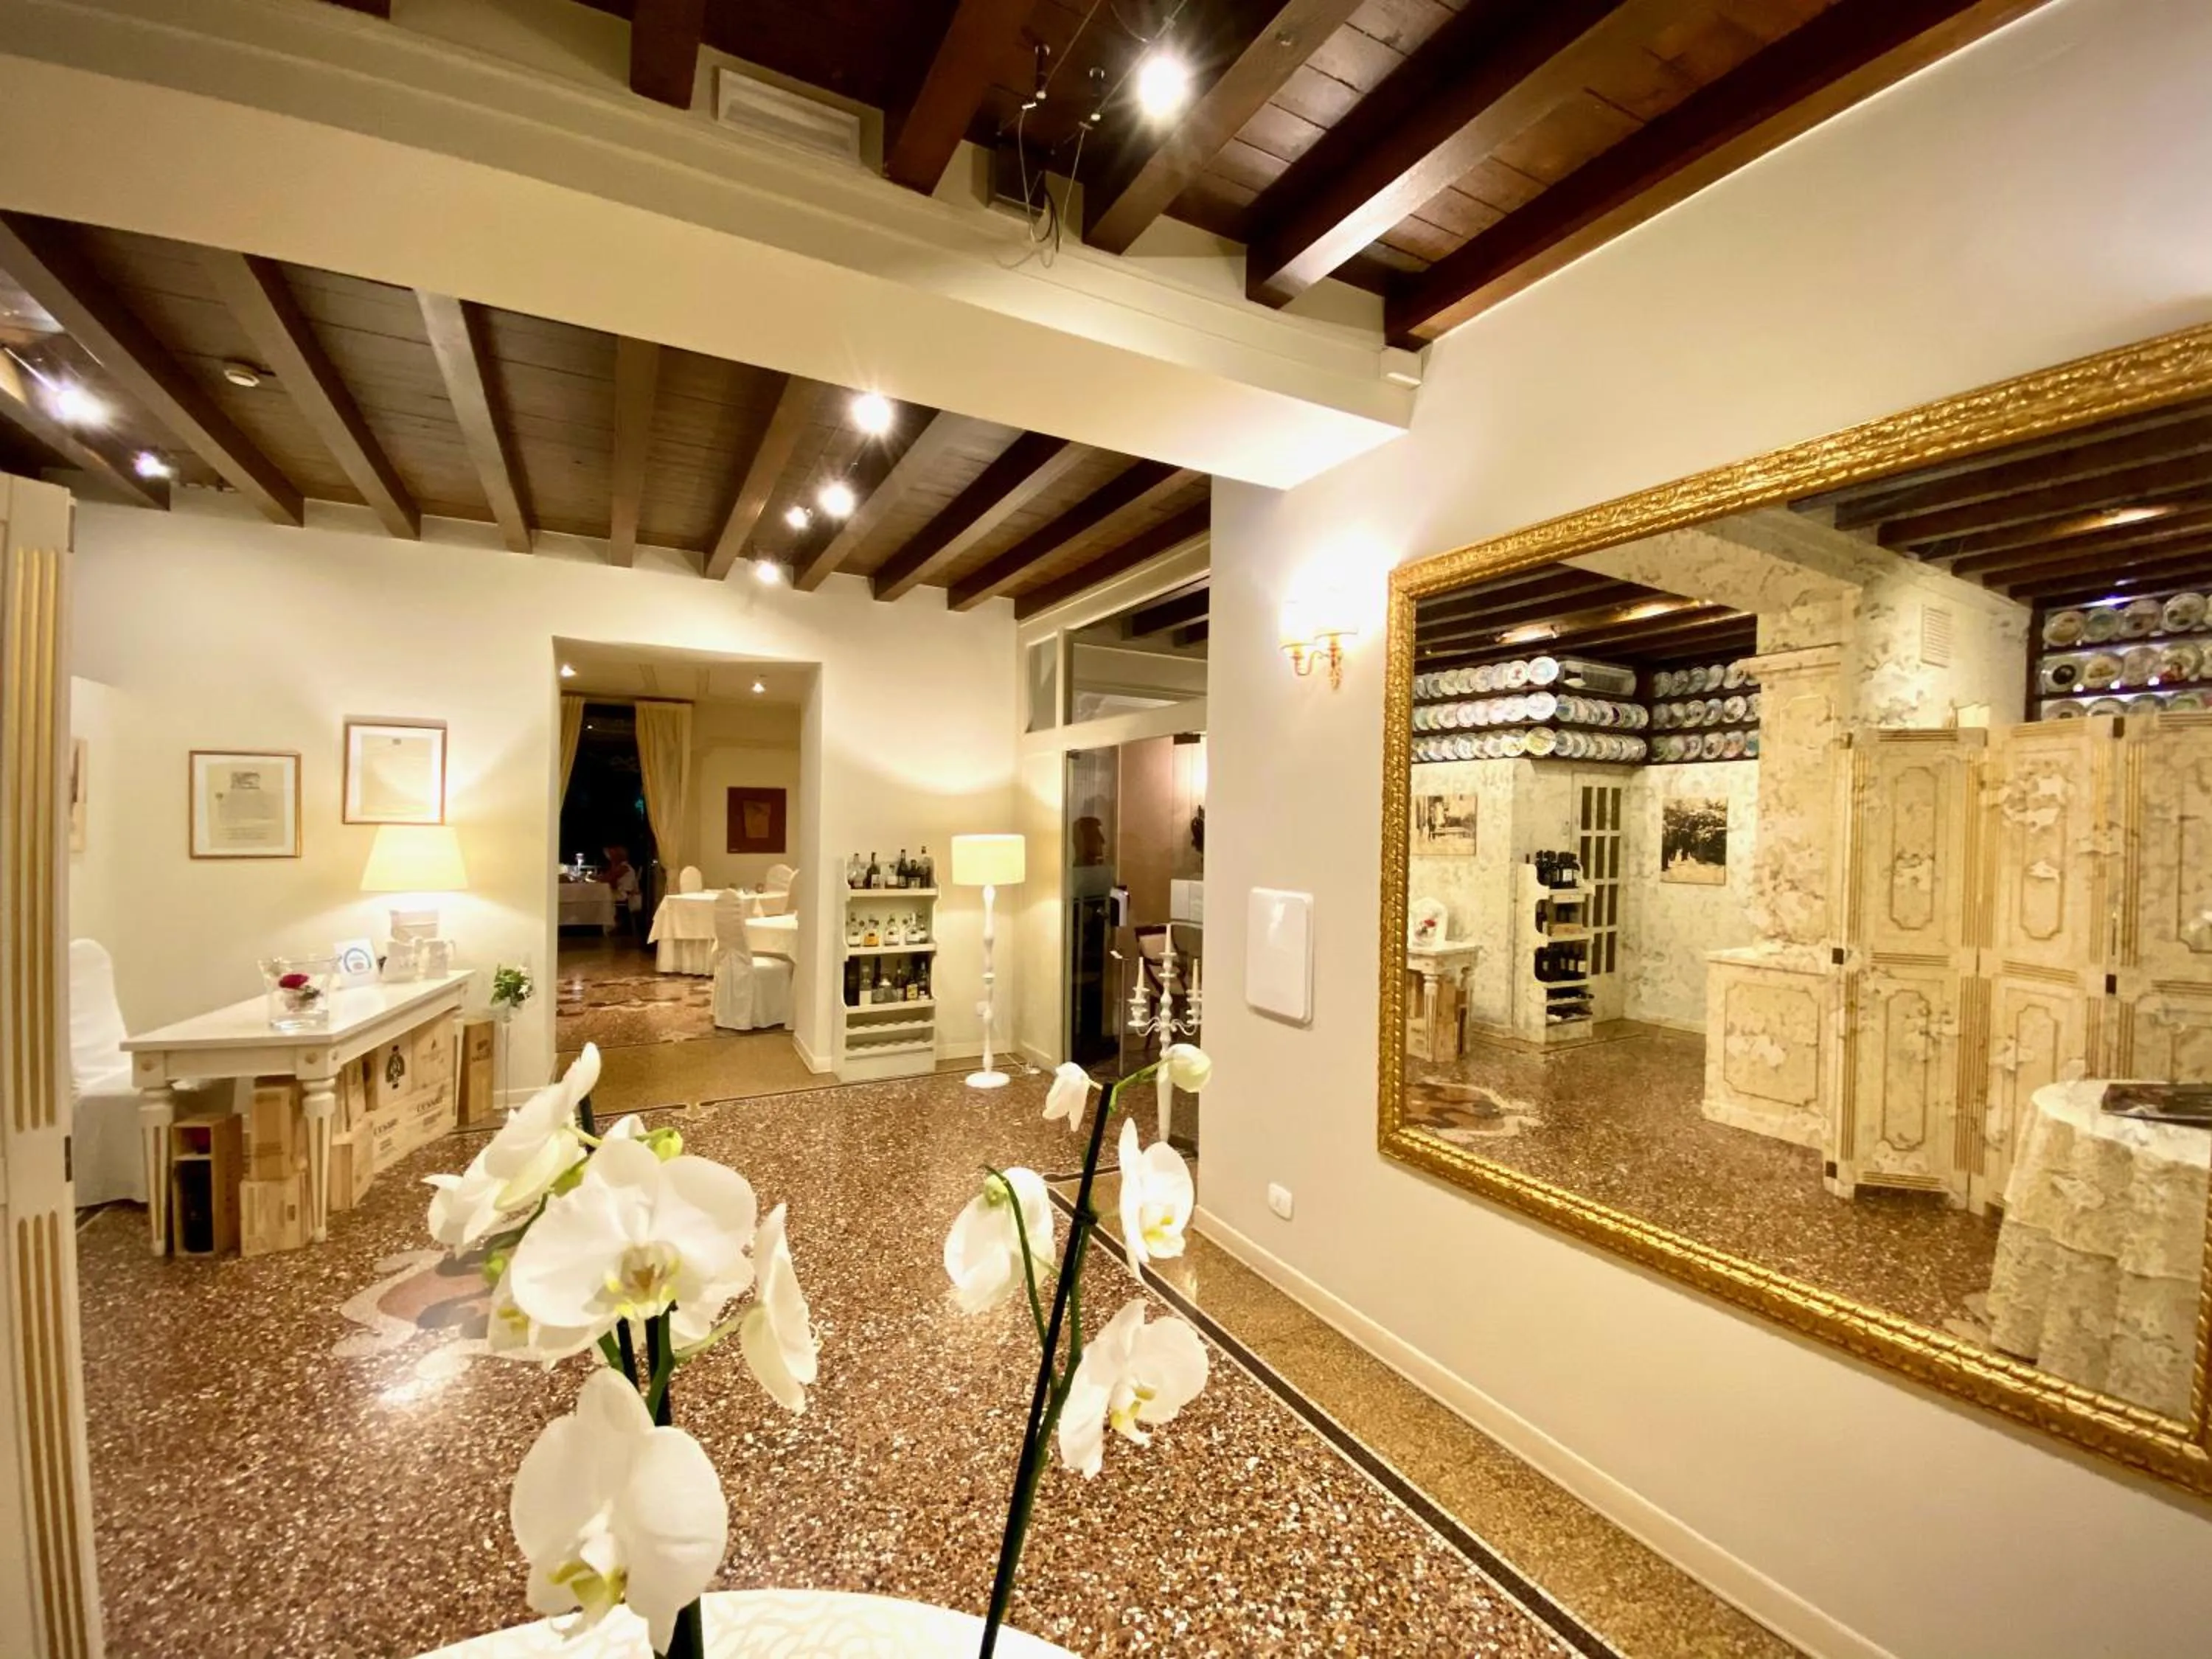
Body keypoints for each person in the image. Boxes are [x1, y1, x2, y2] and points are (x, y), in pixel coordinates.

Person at [602, 844, 642, 938]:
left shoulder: (624, 868)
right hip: (622, 893)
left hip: (624, 895)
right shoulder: (622, 867)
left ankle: (608, 925)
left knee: (601, 898)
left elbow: (607, 879)